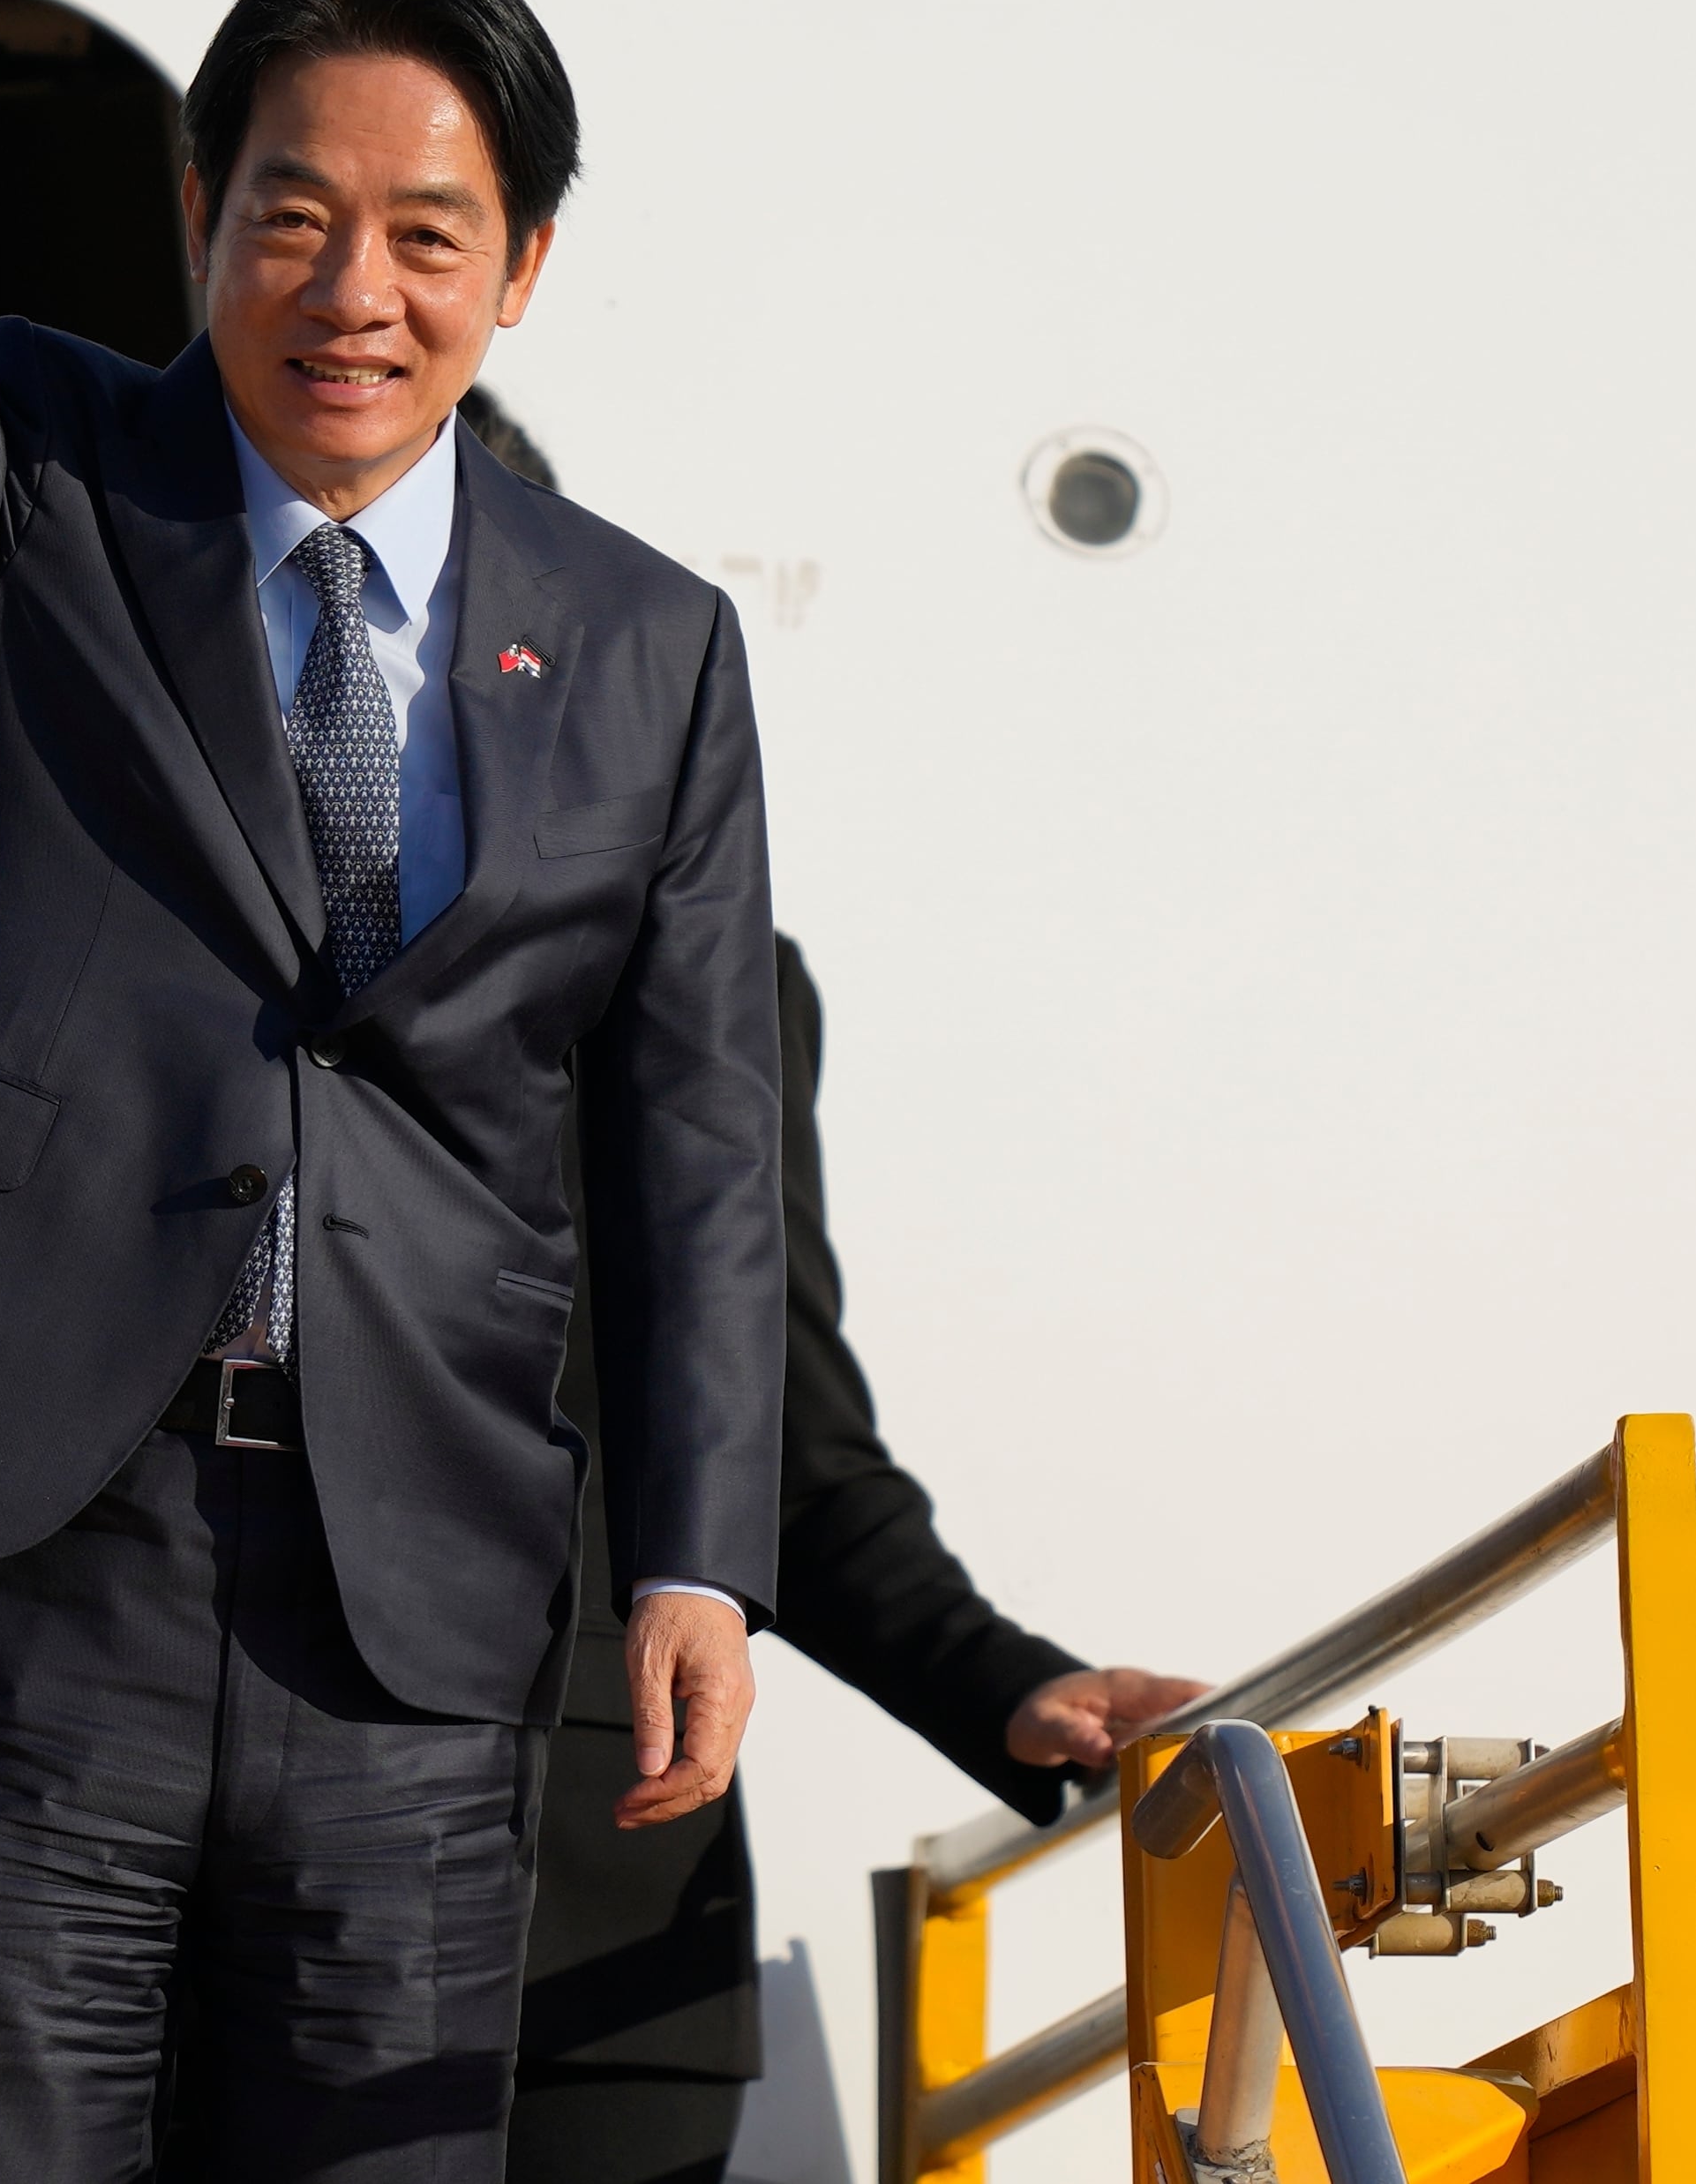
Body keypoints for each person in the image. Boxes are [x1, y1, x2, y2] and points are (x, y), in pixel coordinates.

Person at [0, 0, 1190, 2179]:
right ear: (201, 215)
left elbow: (695, 1143)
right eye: (292, 214)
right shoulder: (35, 479)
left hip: (415, 1608)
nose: (354, 288)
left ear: (519, 268)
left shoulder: (643, 646)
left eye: (428, 234)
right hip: (39, 1557)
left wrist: (696, 1561)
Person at [446, 399, 1197, 2184]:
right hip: (211, 1923)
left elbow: (771, 1437)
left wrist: (1008, 1684)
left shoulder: (706, 977)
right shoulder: (161, 941)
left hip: (596, 1926)